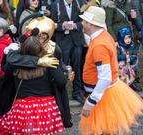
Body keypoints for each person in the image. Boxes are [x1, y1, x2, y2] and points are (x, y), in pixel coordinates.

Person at [79, 6, 143, 135]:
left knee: (103, 131)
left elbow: (105, 78)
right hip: (105, 93)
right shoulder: (103, 34)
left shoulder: (99, 45)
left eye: (85, 21)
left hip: (103, 96)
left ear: (91, 24)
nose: (82, 23)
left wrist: (91, 102)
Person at [4, 16, 73, 128]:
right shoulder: (17, 55)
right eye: (37, 36)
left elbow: (6, 67)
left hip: (24, 106)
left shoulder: (53, 49)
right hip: (42, 105)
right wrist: (40, 61)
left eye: (43, 36)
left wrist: (62, 69)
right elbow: (61, 80)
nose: (40, 39)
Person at [50, 0, 86, 105]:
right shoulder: (56, 4)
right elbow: (52, 24)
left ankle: (77, 92)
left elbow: (84, 21)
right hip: (63, 41)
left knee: (77, 66)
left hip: (76, 40)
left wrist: (75, 26)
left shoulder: (80, 3)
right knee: (62, 67)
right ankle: (60, 93)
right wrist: (63, 26)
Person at [117, 27, 142, 92]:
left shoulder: (132, 45)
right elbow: (117, 56)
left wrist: (130, 58)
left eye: (129, 37)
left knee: (132, 74)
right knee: (124, 76)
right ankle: (124, 86)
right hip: (122, 66)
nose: (128, 40)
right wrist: (126, 57)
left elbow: (134, 54)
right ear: (121, 39)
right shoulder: (119, 47)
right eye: (125, 38)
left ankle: (132, 84)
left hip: (131, 64)